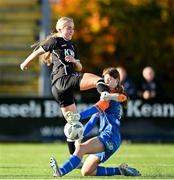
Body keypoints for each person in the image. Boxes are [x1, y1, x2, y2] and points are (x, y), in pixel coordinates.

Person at [20, 17, 124, 156]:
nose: (71, 30)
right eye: (68, 27)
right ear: (59, 29)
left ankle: (73, 159)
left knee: (73, 124)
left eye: (73, 28)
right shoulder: (55, 41)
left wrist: (74, 61)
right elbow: (38, 51)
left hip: (58, 88)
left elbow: (79, 67)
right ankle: (105, 94)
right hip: (64, 80)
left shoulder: (72, 46)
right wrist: (25, 63)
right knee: (98, 80)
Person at [49, 67, 141, 177]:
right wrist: (81, 134)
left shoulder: (111, 96)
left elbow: (121, 98)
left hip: (109, 137)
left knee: (81, 148)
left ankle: (61, 171)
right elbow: (93, 121)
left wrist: (78, 115)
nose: (107, 82)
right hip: (109, 138)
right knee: (86, 171)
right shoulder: (105, 97)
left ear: (117, 81)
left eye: (110, 79)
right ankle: (120, 170)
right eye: (105, 80)